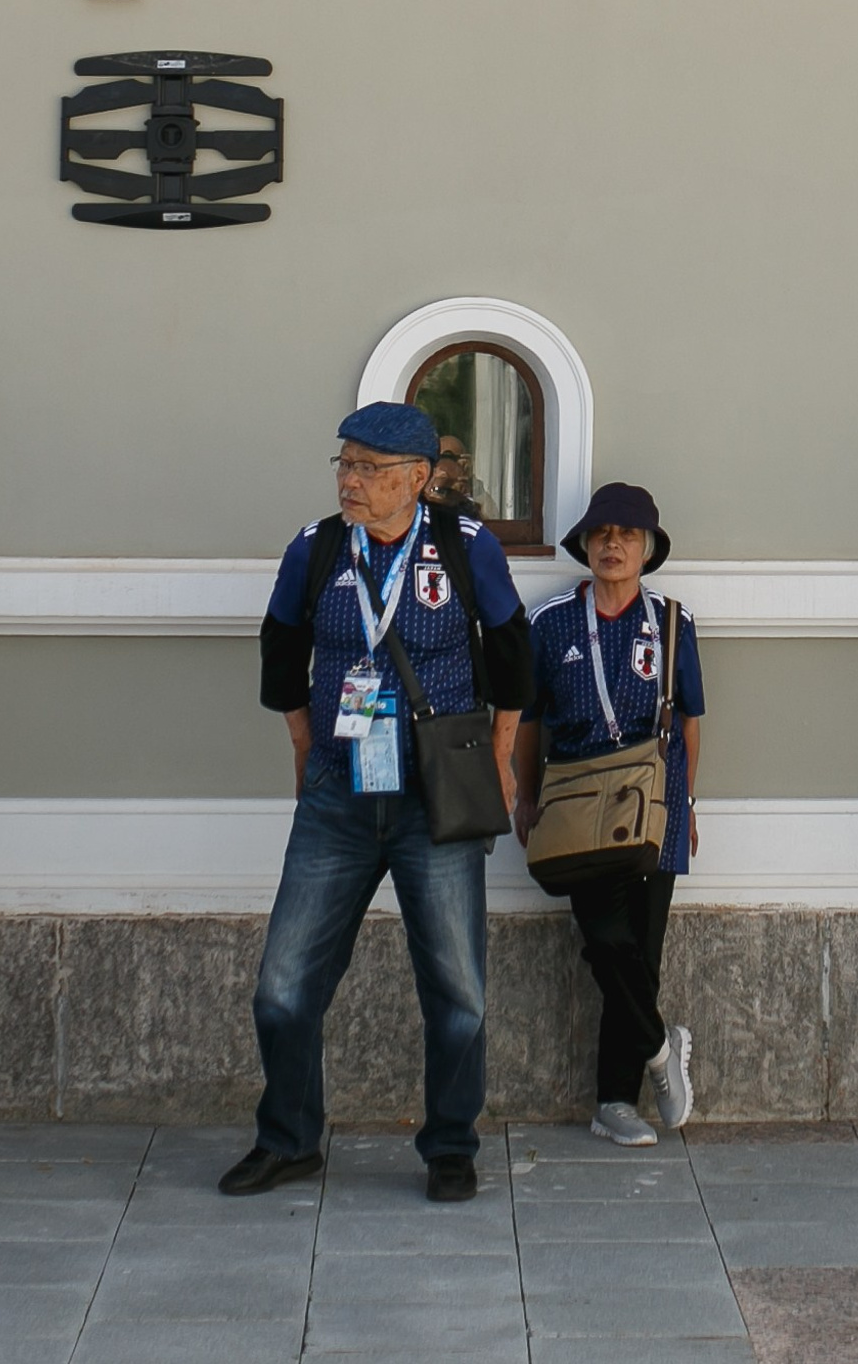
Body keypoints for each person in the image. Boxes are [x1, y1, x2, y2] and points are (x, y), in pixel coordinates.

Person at [226, 402, 533, 1205]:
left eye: (368, 468)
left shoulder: (465, 547)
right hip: (338, 794)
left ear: (418, 478)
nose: (350, 481)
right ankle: (289, 1140)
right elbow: (280, 646)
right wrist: (303, 744)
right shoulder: (317, 547)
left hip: (436, 798)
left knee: (457, 991)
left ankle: (451, 1146)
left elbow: (512, 650)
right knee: (283, 986)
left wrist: (502, 755)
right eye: (345, 464)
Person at [513, 483, 706, 1147]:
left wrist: (687, 802)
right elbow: (528, 720)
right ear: (585, 546)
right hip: (578, 804)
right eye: (601, 535)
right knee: (605, 943)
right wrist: (525, 795)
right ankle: (659, 1045)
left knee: (642, 953)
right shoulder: (551, 622)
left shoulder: (673, 623)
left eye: (626, 535)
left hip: (653, 803)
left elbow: (689, 721)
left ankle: (614, 1101)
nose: (612, 545)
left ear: (647, 548)